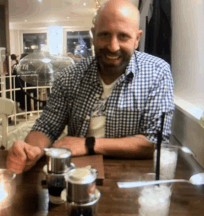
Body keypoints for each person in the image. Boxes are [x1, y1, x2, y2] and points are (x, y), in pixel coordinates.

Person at [6, 0, 175, 174]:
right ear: (93, 34)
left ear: (137, 38)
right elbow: (46, 127)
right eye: (104, 35)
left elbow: (155, 141)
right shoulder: (69, 76)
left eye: (123, 36)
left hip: (134, 179)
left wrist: (88, 144)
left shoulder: (157, 72)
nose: (113, 46)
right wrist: (32, 149)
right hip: (78, 179)